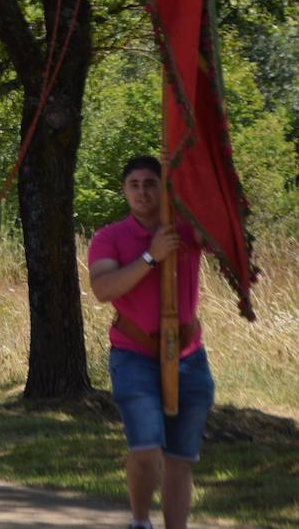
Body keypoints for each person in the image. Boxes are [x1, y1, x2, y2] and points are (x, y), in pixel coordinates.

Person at [88, 156, 215, 529]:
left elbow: (222, 235)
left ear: (164, 188)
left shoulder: (185, 230)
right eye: (134, 184)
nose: (142, 191)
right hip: (134, 354)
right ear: (124, 191)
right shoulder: (109, 237)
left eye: (150, 183)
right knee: (145, 450)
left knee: (180, 457)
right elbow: (102, 288)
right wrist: (150, 256)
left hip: (188, 355)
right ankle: (140, 521)